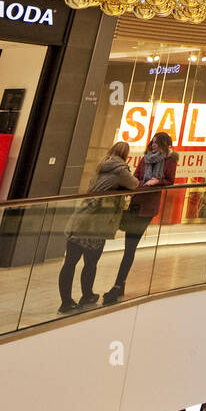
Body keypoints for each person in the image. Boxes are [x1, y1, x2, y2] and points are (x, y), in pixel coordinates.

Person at [58, 142, 137, 314]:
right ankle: (86, 295)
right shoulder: (121, 170)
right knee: (91, 263)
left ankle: (66, 301)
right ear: (126, 154)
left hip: (80, 218)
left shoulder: (100, 166)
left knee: (70, 262)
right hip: (96, 223)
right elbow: (135, 184)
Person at [103, 131, 177, 305]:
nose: (153, 145)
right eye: (152, 143)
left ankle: (117, 285)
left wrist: (157, 182)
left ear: (164, 144)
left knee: (130, 246)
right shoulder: (145, 159)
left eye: (157, 143)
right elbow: (136, 177)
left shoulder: (169, 160)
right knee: (129, 246)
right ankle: (119, 285)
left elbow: (170, 180)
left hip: (147, 208)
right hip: (134, 205)